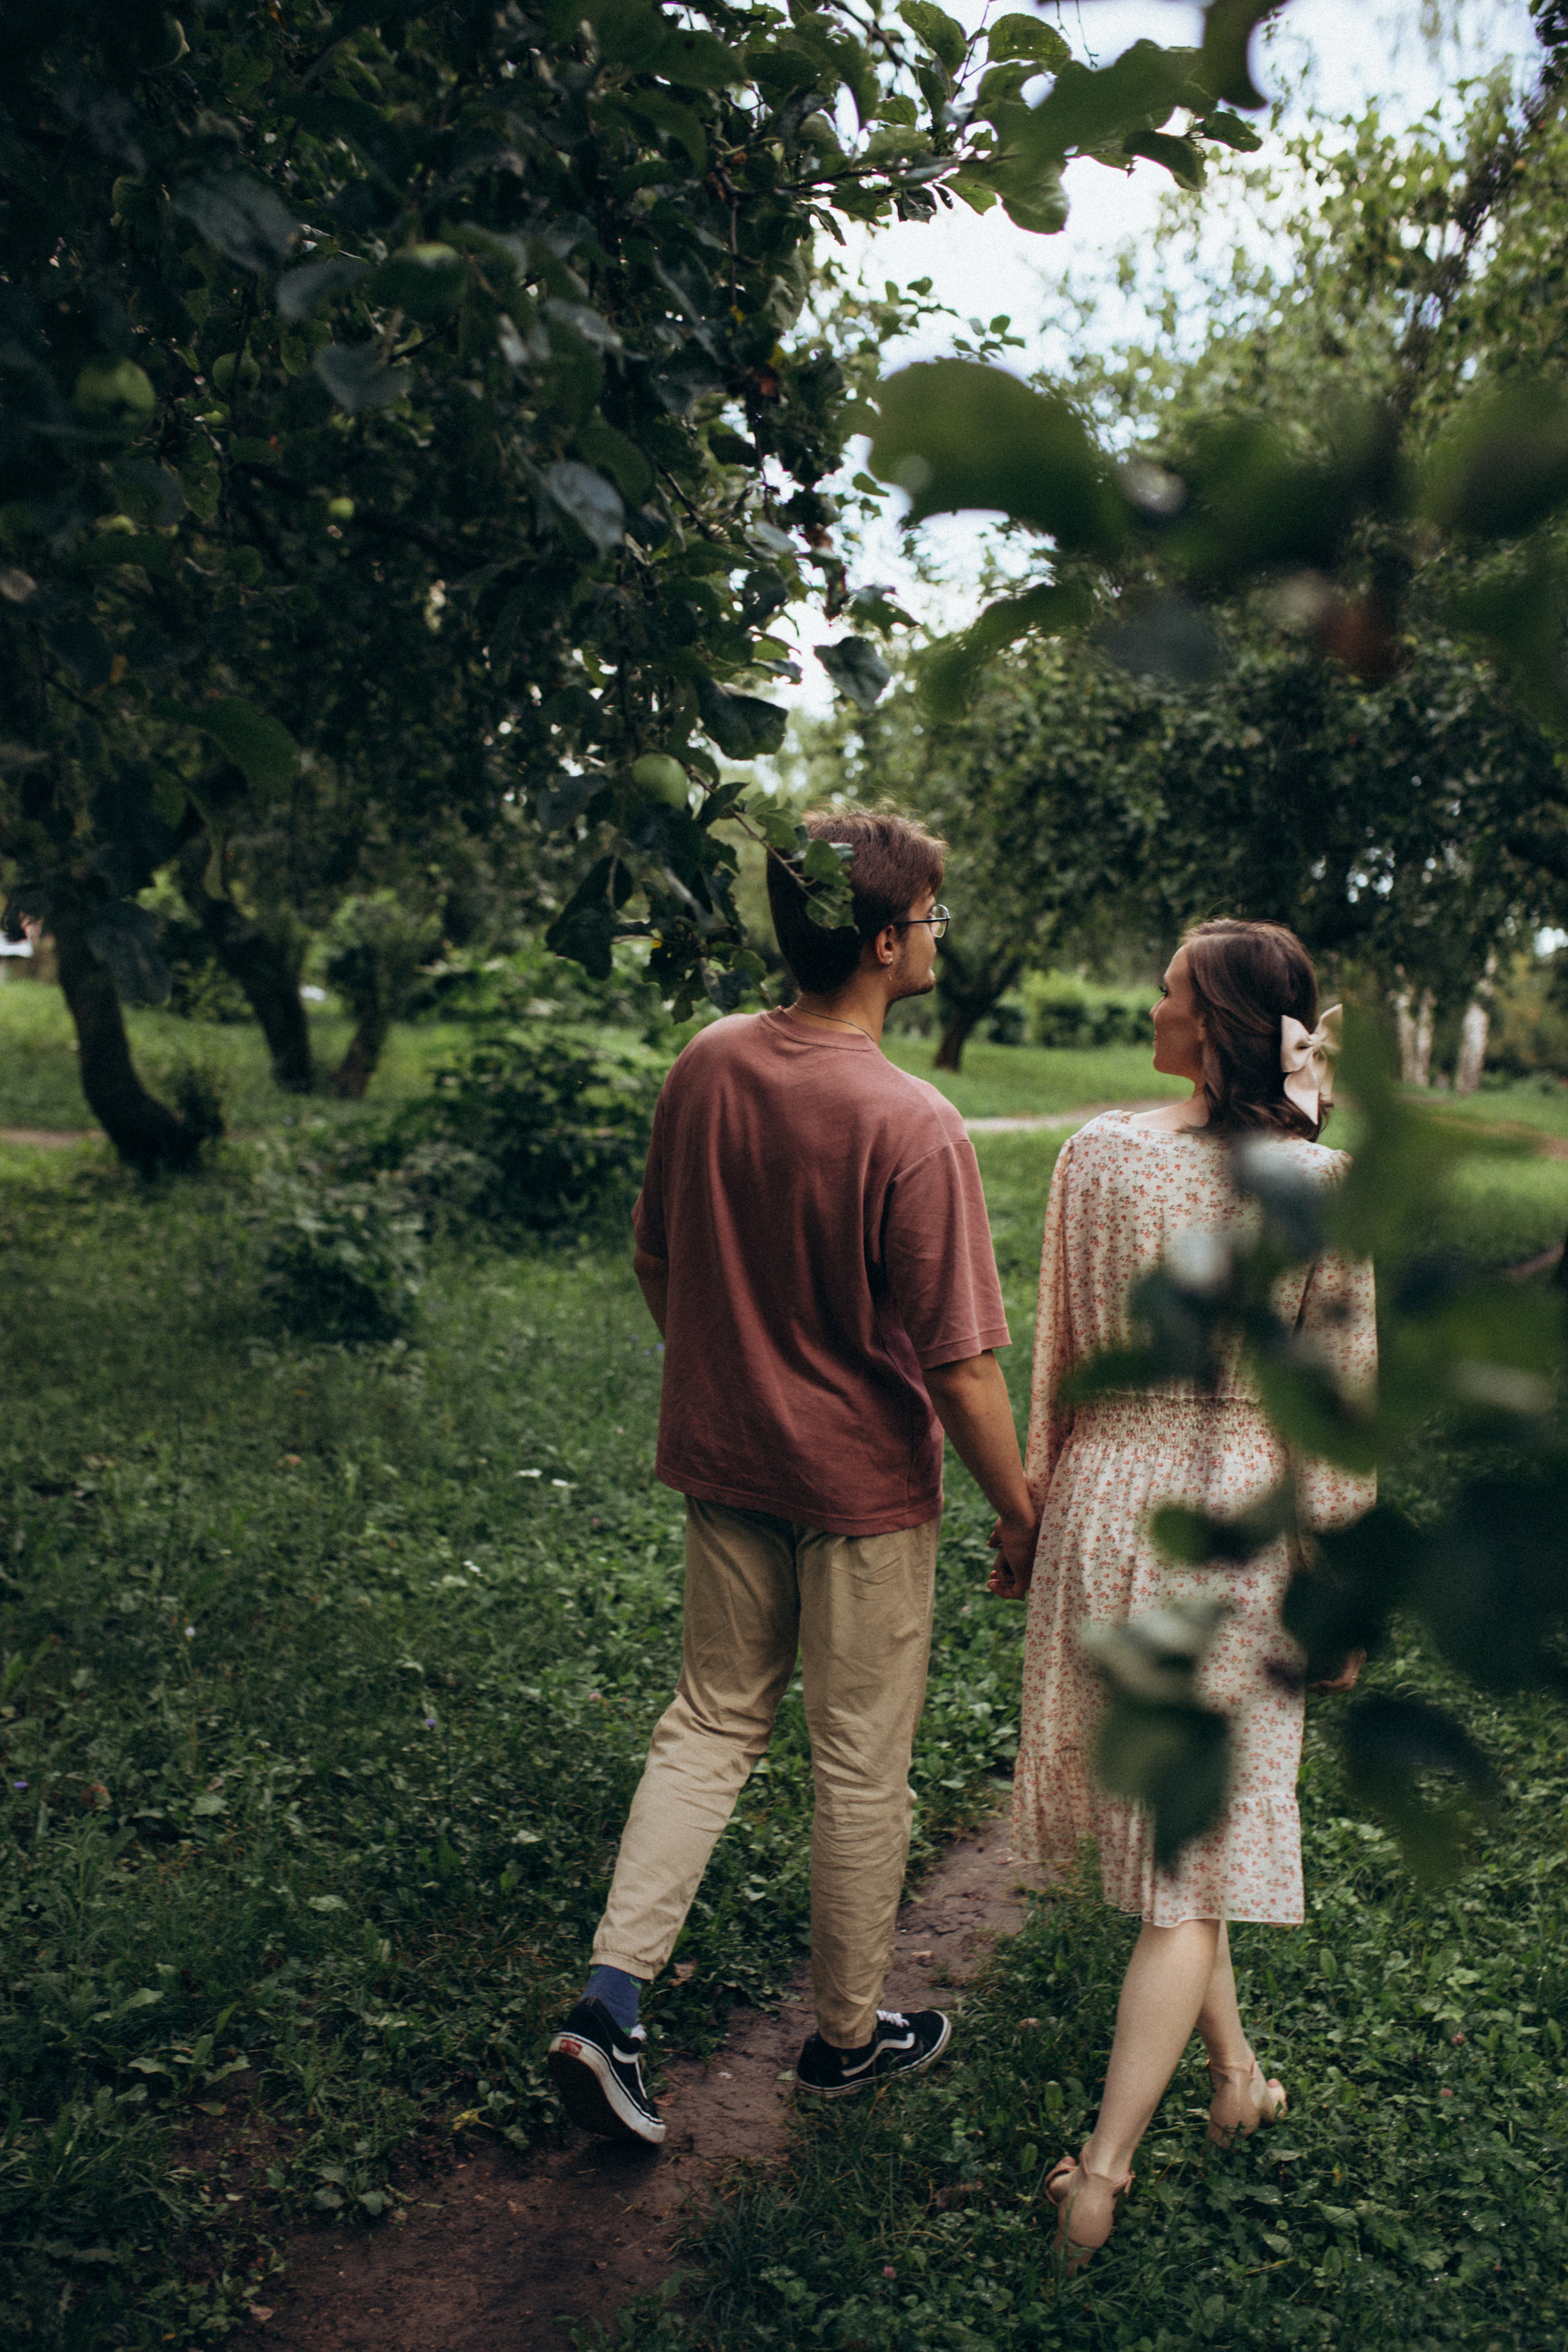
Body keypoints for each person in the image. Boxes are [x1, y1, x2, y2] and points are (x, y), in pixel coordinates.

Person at [547, 810, 1041, 2146]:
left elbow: (658, 1259)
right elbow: (960, 1369)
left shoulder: (705, 1064)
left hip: (727, 1463)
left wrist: (732, 1379)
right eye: (932, 917)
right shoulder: (911, 1122)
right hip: (864, 1492)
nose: (939, 934)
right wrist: (1020, 1508)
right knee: (857, 1764)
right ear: (883, 942)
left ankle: (607, 2005)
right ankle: (842, 2042)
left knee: (707, 1723)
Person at [1008, 918, 1376, 2266]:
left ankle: (1235, 2081)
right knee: (1186, 1877)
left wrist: (1032, 1510)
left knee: (1182, 1842)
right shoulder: (1319, 1188)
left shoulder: (1094, 1157)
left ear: (1211, 1022)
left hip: (1108, 1506)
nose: (1150, 999)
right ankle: (1100, 2179)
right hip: (1232, 1520)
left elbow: (1057, 1353)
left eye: (1168, 986)